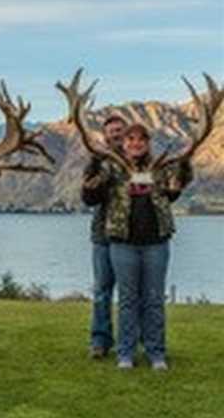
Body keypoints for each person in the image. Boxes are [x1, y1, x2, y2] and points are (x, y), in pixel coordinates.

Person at [90, 123, 192, 371]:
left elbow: (175, 188)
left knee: (154, 299)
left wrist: (186, 161)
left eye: (141, 139)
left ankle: (156, 352)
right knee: (127, 300)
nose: (136, 143)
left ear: (147, 143)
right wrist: (93, 166)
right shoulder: (111, 167)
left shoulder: (159, 167)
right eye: (130, 139)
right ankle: (126, 353)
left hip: (156, 242)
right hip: (123, 243)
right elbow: (90, 195)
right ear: (123, 143)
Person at [81, 114, 126, 359]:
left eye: (120, 130)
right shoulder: (96, 162)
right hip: (103, 235)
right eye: (111, 131)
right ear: (105, 136)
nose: (116, 134)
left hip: (129, 236)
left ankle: (129, 340)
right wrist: (100, 179)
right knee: (102, 291)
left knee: (130, 294)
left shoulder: (136, 159)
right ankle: (100, 341)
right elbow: (87, 198)